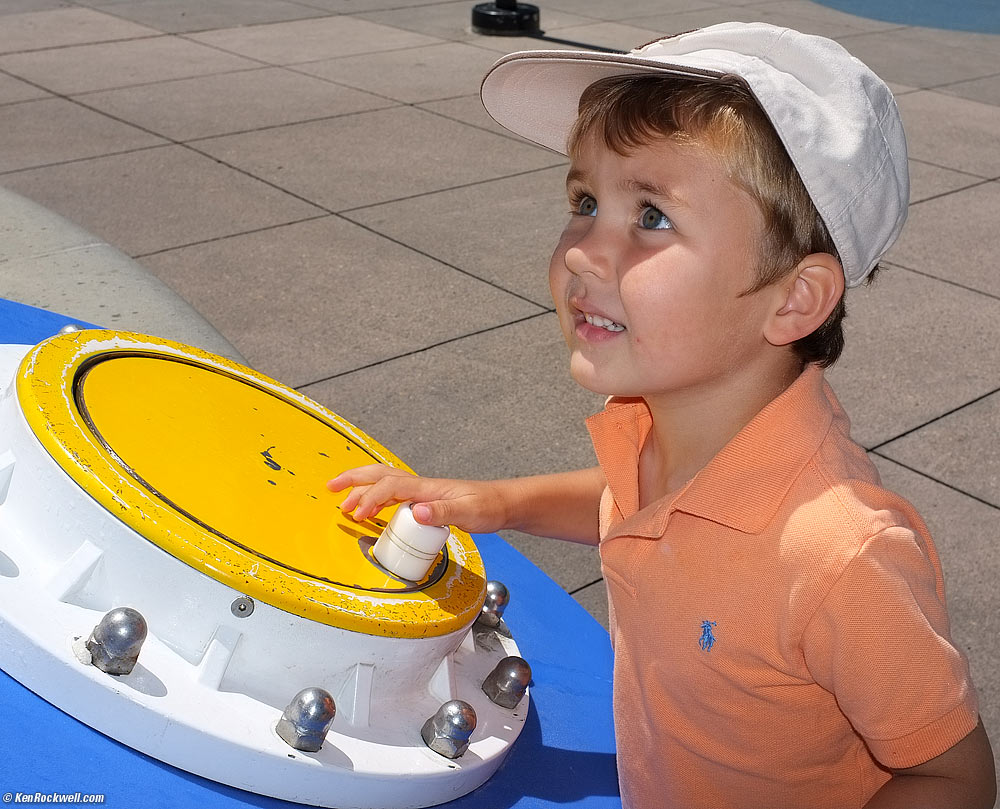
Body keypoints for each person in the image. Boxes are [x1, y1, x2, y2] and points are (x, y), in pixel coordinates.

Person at [328, 22, 996, 809]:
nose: (581, 251)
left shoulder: (840, 556)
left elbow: (956, 774)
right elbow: (633, 504)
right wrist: (494, 502)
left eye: (650, 216)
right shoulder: (660, 426)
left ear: (795, 299)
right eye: (585, 201)